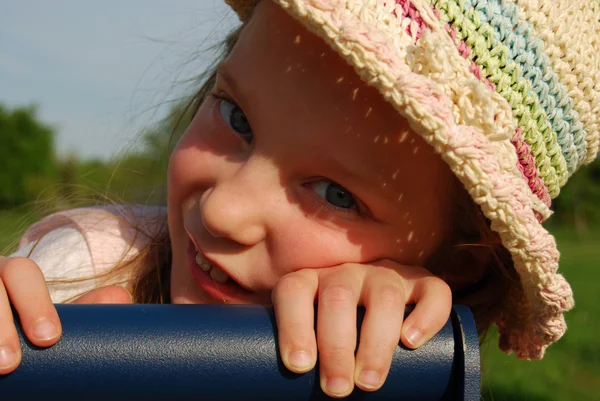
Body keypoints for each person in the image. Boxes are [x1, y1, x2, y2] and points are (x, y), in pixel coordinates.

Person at [1, 0, 598, 397]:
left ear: (460, 258)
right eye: (236, 116)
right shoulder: (84, 272)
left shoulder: (409, 371)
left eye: (337, 194)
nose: (221, 210)